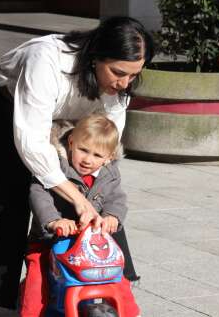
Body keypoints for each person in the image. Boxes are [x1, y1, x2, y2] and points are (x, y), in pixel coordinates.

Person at [0, 16, 154, 309]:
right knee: (11, 201)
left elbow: (108, 143)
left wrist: (93, 199)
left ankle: (109, 282)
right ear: (95, 57)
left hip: (69, 123)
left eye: (133, 75)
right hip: (2, 110)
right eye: (118, 72)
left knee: (95, 197)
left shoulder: (119, 84)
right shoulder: (46, 59)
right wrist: (75, 197)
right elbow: (32, 141)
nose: (125, 83)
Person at [20, 114, 140, 317]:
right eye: (83, 150)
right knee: (36, 285)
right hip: (50, 242)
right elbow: (39, 194)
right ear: (71, 142)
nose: (87, 160)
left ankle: (129, 312)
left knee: (118, 278)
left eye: (97, 155)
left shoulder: (108, 174)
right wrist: (54, 221)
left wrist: (112, 216)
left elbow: (117, 198)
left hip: (90, 247)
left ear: (108, 157)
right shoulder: (55, 166)